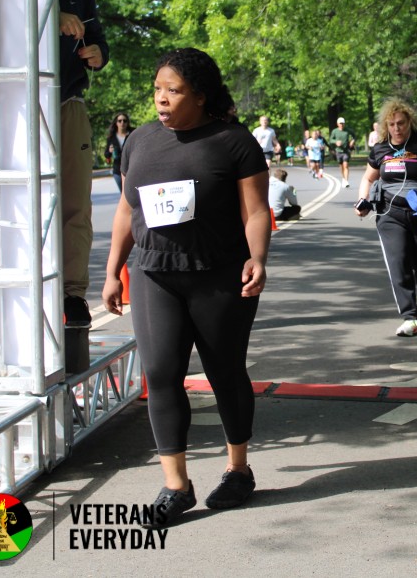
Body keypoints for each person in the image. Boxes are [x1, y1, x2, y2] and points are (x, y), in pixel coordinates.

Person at [102, 47, 270, 528]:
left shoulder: (233, 141)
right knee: (159, 373)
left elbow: (256, 210)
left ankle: (238, 470)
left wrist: (258, 258)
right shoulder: (139, 142)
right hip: (154, 274)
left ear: (199, 95)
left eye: (173, 91)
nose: (162, 98)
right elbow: (126, 210)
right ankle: (176, 486)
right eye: (158, 89)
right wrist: (113, 271)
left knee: (224, 371)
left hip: (219, 275)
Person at [355, 98, 417, 337]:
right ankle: (409, 317)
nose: (397, 128)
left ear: (410, 122)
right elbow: (368, 178)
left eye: (401, 123)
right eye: (392, 124)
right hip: (390, 213)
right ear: (385, 126)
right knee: (398, 262)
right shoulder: (380, 149)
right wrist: (362, 200)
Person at [58, 0, 109, 330]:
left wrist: (97, 55)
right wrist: (50, 16)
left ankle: (72, 294)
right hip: (16, 103)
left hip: (69, 105)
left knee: (77, 202)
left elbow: (100, 43)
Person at [104, 113, 131, 193]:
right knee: (123, 193)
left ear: (127, 122)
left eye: (124, 121)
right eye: (120, 121)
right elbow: (106, 155)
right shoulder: (111, 138)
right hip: (117, 170)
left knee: (130, 193)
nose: (122, 123)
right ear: (116, 123)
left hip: (131, 169)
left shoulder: (132, 134)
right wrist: (109, 151)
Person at [330, 117, 355, 187]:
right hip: (338, 151)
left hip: (346, 151)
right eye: (340, 123)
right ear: (337, 124)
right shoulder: (335, 131)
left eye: (343, 123)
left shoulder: (348, 130)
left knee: (346, 165)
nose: (342, 125)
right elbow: (331, 140)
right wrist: (336, 142)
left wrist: (352, 141)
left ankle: (346, 181)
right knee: (341, 166)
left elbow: (354, 136)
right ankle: (343, 178)